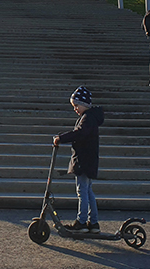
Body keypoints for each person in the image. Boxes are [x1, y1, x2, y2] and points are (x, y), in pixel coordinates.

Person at [53, 86, 104, 232]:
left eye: (76, 105)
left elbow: (79, 134)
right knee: (88, 191)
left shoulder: (87, 118)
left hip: (84, 161)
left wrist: (61, 139)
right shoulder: (90, 118)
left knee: (82, 191)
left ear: (84, 104)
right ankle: (93, 223)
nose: (75, 109)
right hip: (88, 160)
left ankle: (81, 222)